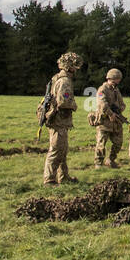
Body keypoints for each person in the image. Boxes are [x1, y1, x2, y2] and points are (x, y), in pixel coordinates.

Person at [42, 52, 81, 186]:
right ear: (69, 66)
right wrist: (74, 105)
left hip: (59, 120)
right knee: (56, 150)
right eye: (75, 67)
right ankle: (49, 180)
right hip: (58, 120)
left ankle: (63, 177)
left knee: (62, 150)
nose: (76, 70)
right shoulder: (65, 81)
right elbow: (63, 102)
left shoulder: (58, 78)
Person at [93, 68, 128, 169]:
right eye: (118, 79)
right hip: (104, 121)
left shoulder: (116, 90)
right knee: (101, 143)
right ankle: (98, 163)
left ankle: (110, 160)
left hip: (115, 121)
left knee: (118, 142)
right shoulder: (102, 89)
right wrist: (110, 114)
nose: (119, 81)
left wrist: (119, 110)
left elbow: (122, 103)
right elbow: (102, 103)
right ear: (113, 78)